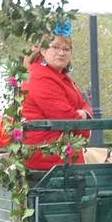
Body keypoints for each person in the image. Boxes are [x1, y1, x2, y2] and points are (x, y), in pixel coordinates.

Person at [20, 26, 93, 171]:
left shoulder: (59, 76)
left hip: (61, 157)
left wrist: (84, 114)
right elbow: (67, 119)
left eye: (66, 49)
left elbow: (84, 105)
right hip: (48, 160)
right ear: (43, 50)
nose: (61, 53)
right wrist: (83, 119)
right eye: (56, 47)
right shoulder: (41, 77)